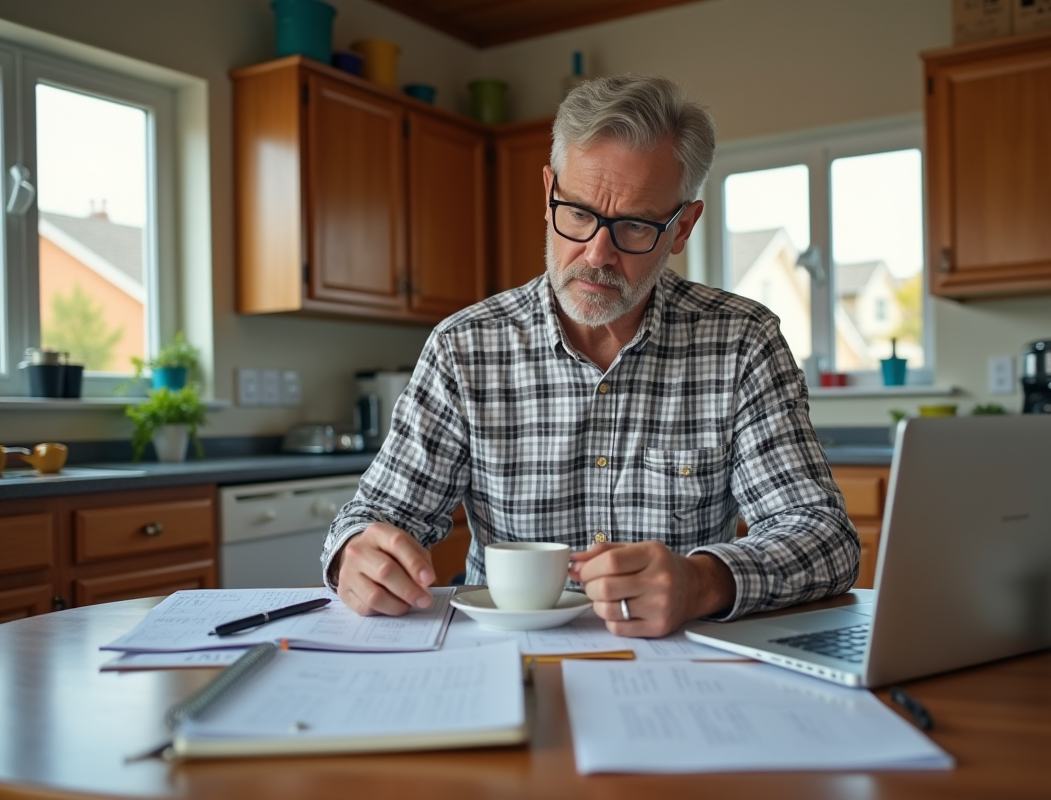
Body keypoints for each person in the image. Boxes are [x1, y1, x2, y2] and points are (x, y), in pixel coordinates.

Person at [322, 75, 859, 638]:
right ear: (549, 189)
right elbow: (375, 517)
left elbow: (823, 536)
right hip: (503, 656)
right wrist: (357, 555)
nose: (596, 255)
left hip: (676, 663)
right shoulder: (465, 348)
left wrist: (702, 582)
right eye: (577, 213)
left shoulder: (743, 342)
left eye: (633, 225)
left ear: (682, 227)